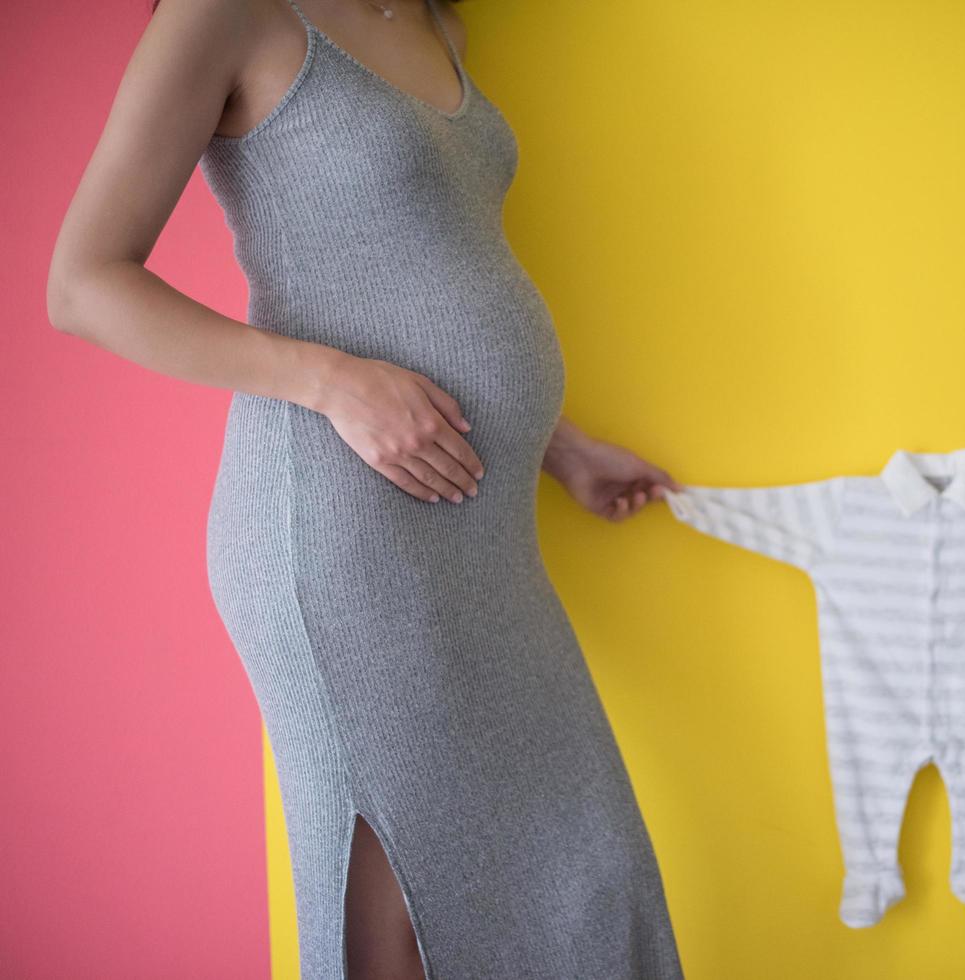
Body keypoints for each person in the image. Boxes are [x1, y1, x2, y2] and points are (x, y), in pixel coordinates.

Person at [45, 0, 685, 977]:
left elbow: (419, 259)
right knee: (406, 902)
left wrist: (556, 446)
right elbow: (82, 283)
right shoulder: (226, 13)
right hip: (346, 526)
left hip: (481, 534)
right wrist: (326, 378)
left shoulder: (438, 21)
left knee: (588, 875)